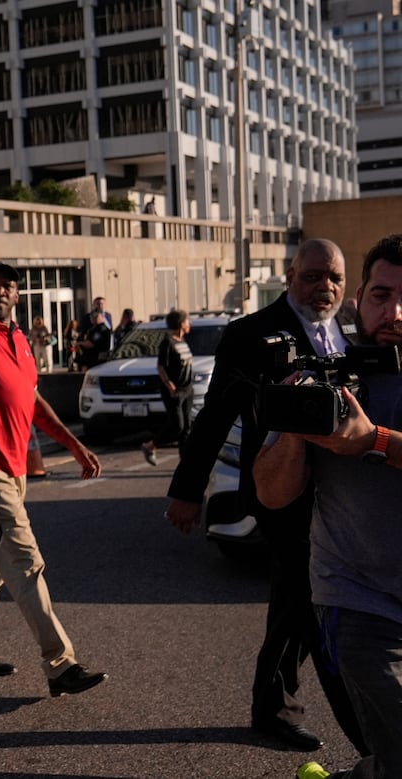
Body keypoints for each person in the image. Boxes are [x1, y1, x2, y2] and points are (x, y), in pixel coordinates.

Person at [165, 239, 366, 754]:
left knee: (299, 601)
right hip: (281, 492)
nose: (326, 287)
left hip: (343, 492)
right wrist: (188, 491)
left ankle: (273, 703)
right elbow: (213, 420)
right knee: (305, 599)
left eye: (335, 279)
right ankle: (345, 728)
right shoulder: (249, 334)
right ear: (291, 275)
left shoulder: (352, 331)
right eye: (314, 276)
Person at [255, 234, 402, 779]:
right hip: (358, 599)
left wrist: (375, 441)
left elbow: (373, 441)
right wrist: (296, 428)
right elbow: (272, 493)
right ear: (359, 296)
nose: (394, 313)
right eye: (381, 295)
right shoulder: (330, 376)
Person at [0, 260, 108, 697]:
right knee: (25, 561)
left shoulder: (20, 338)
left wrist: (73, 444)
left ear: (17, 294)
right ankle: (60, 663)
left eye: (8, 287)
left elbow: (32, 402)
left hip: (15, 467)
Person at [141, 309, 193, 466]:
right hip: (175, 391)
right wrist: (170, 385)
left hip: (187, 389)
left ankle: (185, 464)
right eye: (187, 321)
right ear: (181, 323)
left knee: (187, 429)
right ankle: (150, 446)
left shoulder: (182, 341)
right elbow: (161, 367)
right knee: (177, 426)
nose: (189, 323)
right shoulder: (168, 342)